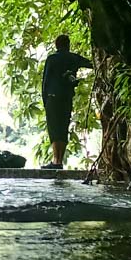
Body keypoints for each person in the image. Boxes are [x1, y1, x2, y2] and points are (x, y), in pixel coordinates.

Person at [41, 34, 92, 169]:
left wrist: (44, 99)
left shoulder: (52, 59)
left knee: (54, 128)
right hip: (66, 97)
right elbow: (91, 64)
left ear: (56, 45)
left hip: (52, 97)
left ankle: (56, 161)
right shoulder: (74, 58)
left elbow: (45, 81)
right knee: (63, 127)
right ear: (68, 45)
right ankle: (59, 160)